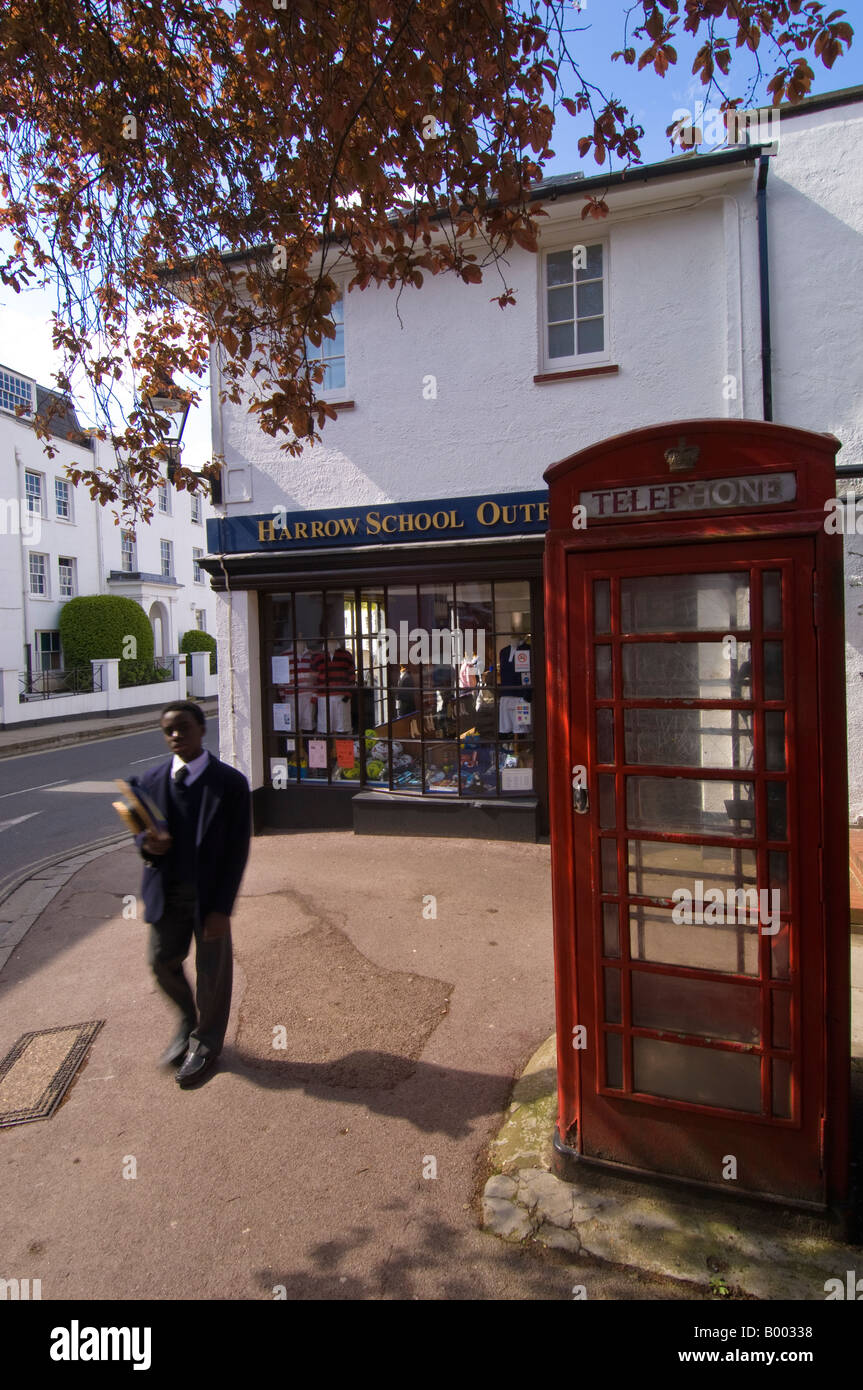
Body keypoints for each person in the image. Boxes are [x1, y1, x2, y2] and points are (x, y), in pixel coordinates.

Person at [130, 701, 251, 1088]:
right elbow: (140, 833)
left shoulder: (229, 784)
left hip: (209, 896)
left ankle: (206, 1044)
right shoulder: (150, 781)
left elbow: (236, 851)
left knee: (212, 973)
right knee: (160, 961)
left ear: (202, 729)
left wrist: (223, 907)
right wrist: (149, 845)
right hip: (167, 893)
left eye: (183, 727)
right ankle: (187, 1017)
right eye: (169, 730)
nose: (176, 736)